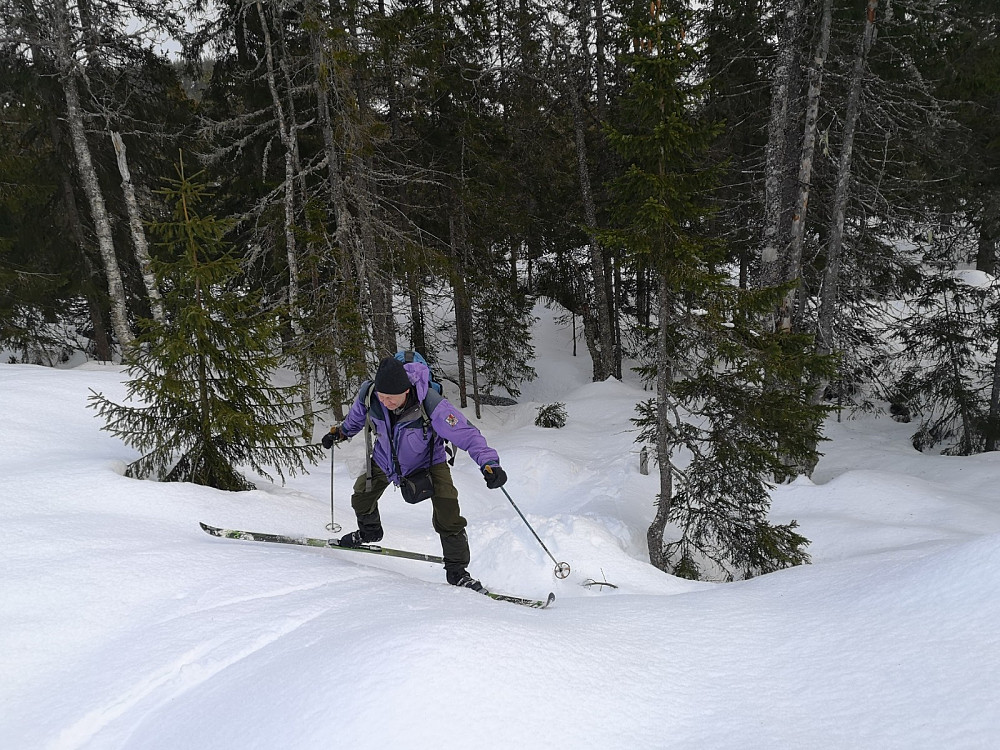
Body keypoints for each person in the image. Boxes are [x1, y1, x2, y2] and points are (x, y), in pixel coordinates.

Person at [322, 355, 508, 592]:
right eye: (382, 396)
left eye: (391, 397)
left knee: (448, 512)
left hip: (429, 462)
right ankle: (370, 532)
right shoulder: (370, 395)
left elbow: (468, 435)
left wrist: (489, 463)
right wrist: (340, 433)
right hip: (385, 459)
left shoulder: (431, 404)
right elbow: (356, 419)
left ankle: (457, 571)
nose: (386, 401)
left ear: (406, 391)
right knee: (361, 496)